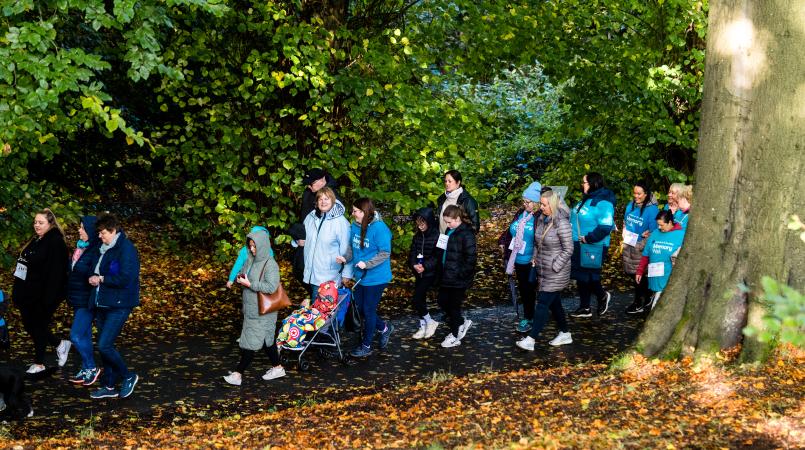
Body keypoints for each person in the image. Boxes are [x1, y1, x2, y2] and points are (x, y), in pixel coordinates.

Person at [87, 213, 141, 399]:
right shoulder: (104, 248)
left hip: (120, 304)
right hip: (103, 302)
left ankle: (128, 376)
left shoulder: (126, 249)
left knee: (104, 345)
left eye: (102, 233)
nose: (100, 236)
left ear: (113, 230)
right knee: (105, 346)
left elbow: (127, 278)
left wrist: (102, 279)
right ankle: (109, 386)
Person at [223, 230, 286, 385]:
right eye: (250, 246)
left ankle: (238, 374)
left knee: (249, 343)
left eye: (255, 246)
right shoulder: (251, 260)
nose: (252, 249)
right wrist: (240, 278)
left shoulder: (271, 264)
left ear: (263, 246)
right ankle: (278, 367)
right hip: (252, 309)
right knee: (266, 342)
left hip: (263, 312)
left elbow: (271, 287)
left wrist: (250, 284)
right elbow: (244, 272)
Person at [12, 208, 70, 374]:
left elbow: (57, 273)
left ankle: (39, 364)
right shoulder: (37, 239)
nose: (36, 225)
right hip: (28, 293)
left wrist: (49, 298)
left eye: (41, 222)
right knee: (30, 325)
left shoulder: (55, 242)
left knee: (38, 326)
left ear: (50, 224)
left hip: (44, 295)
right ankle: (60, 344)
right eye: (35, 222)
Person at [516, 190, 574, 350]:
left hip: (556, 271)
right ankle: (565, 333)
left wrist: (555, 265)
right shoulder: (542, 219)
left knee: (542, 303)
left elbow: (569, 249)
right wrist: (534, 257)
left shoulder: (561, 222)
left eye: (543, 204)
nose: (540, 207)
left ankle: (531, 339)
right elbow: (537, 243)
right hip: (543, 269)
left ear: (553, 205)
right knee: (554, 303)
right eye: (540, 204)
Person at [340, 198, 394, 357]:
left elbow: (385, 252)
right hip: (360, 277)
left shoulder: (379, 228)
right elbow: (352, 247)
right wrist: (346, 258)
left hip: (377, 277)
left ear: (364, 212)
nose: (353, 213)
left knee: (369, 310)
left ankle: (366, 345)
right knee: (361, 309)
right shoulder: (354, 227)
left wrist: (368, 264)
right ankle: (384, 328)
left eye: (355, 211)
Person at [569, 172, 616, 318]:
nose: (582, 185)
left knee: (590, 276)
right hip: (579, 244)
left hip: (593, 246)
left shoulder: (603, 202)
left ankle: (602, 296)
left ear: (593, 183)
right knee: (581, 276)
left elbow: (605, 226)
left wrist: (589, 238)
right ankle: (585, 308)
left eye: (584, 182)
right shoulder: (586, 199)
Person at [499, 181, 542, 333]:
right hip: (517, 258)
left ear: (537, 202)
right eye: (523, 201)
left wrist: (538, 257)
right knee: (524, 290)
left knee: (533, 290)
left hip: (533, 261)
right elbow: (510, 229)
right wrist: (502, 241)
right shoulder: (521, 213)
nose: (524, 204)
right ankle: (530, 316)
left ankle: (534, 317)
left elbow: (543, 238)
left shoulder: (541, 216)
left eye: (528, 201)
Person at [67, 216, 103, 386]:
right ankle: (86, 368)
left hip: (87, 301)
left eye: (83, 228)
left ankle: (91, 367)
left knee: (75, 335)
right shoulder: (80, 248)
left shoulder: (96, 251)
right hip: (77, 298)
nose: (79, 230)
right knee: (85, 335)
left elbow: (93, 275)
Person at [436, 205, 477, 348]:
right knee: (442, 301)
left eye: (449, 221)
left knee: (454, 306)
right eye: (446, 222)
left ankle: (454, 335)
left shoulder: (466, 234)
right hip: (446, 274)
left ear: (457, 218)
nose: (447, 224)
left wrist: (461, 274)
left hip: (458, 277)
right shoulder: (449, 230)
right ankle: (460, 322)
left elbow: (471, 257)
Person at [290, 169, 339, 287]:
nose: (308, 186)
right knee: (299, 271)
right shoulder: (308, 192)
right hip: (304, 241)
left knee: (318, 285)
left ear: (322, 181)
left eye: (310, 183)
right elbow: (304, 217)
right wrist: (298, 239)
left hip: (321, 251)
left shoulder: (333, 199)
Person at [302, 187, 353, 298]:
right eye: (320, 199)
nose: (323, 202)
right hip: (311, 273)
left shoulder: (341, 222)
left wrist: (347, 274)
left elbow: (348, 250)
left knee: (321, 311)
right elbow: (304, 236)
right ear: (316, 202)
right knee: (318, 310)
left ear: (333, 201)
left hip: (329, 276)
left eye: (327, 198)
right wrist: (297, 241)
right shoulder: (311, 217)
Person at [635, 210, 686, 310]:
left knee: (657, 306)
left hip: (669, 277)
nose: (659, 227)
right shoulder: (655, 233)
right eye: (658, 225)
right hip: (655, 275)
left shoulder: (681, 235)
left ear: (670, 223)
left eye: (661, 225)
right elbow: (646, 254)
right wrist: (640, 271)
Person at [622, 183, 660, 314]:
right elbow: (626, 221)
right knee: (632, 274)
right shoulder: (631, 205)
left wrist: (641, 244)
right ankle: (647, 297)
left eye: (639, 194)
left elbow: (653, 231)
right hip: (629, 244)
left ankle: (639, 303)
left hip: (640, 247)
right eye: (634, 193)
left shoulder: (652, 210)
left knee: (639, 276)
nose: (636, 196)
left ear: (646, 194)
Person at [407, 207, 440, 339]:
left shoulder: (437, 236)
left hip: (430, 273)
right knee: (419, 300)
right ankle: (423, 325)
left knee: (416, 299)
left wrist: (425, 266)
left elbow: (437, 257)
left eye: (423, 223)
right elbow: (412, 253)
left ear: (429, 222)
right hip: (419, 273)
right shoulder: (417, 237)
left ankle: (430, 321)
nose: (420, 226)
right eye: (418, 223)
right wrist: (414, 264)